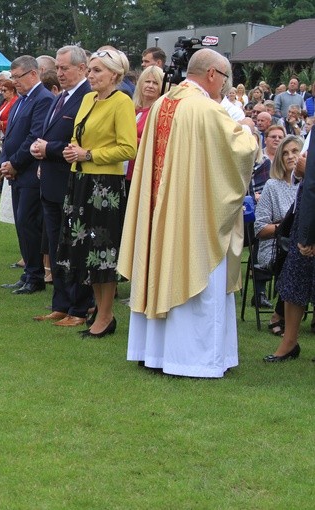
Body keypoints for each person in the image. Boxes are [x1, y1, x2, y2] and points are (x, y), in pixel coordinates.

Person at [119, 49, 258, 377]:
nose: (224, 87)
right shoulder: (206, 109)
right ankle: (191, 360)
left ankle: (153, 353)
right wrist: (249, 131)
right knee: (199, 279)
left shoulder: (162, 105)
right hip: (193, 218)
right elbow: (242, 151)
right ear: (212, 74)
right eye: (224, 79)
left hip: (160, 213)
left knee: (160, 267)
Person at [57, 48, 137, 337]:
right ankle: (100, 313)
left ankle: (105, 315)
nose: (91, 75)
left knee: (103, 255)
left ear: (114, 75)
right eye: (90, 70)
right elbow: (78, 135)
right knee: (87, 254)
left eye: (97, 70)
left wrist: (88, 154)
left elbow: (129, 148)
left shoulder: (122, 102)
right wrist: (72, 151)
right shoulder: (88, 99)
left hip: (105, 187)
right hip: (81, 182)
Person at [30, 45, 94, 327]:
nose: (60, 73)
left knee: (73, 248)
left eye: (65, 68)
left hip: (72, 181)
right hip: (51, 182)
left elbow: (80, 140)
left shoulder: (87, 97)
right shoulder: (62, 97)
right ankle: (61, 303)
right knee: (56, 247)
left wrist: (49, 149)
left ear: (82, 68)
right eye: (57, 67)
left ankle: (80, 307)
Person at [0, 55, 54, 295]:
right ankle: (29, 273)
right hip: (16, 172)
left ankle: (35, 275)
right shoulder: (22, 99)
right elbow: (10, 135)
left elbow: (35, 136)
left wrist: (15, 163)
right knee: (22, 224)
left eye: (18, 77)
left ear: (33, 74)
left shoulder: (43, 99)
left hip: (30, 173)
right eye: (12, 77)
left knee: (28, 223)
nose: (15, 82)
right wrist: (5, 162)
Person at [254, 135, 303, 337]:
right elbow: (259, 229)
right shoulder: (272, 186)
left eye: (295, 151)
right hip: (275, 247)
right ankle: (278, 315)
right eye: (285, 153)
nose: (291, 156)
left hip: (303, 246)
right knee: (297, 259)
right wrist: (284, 228)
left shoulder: (308, 186)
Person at [126, 65, 165, 194]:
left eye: (155, 83)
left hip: (142, 173)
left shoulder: (161, 113)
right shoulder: (131, 108)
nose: (150, 86)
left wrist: (129, 140)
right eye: (147, 81)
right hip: (123, 170)